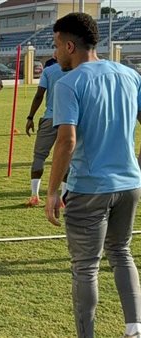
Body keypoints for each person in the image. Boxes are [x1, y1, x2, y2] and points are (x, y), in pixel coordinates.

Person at [45, 13, 141, 338]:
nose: (54, 52)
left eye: (56, 45)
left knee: (86, 266)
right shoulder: (130, 75)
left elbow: (66, 141)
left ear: (70, 46)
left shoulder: (68, 83)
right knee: (122, 252)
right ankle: (134, 329)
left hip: (89, 189)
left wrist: (52, 191)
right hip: (130, 184)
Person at [24, 53, 68, 207]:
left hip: (50, 117)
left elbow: (39, 95)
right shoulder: (78, 69)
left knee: (39, 156)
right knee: (68, 157)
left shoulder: (49, 71)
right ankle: (63, 197)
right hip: (70, 120)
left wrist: (30, 117)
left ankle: (34, 195)